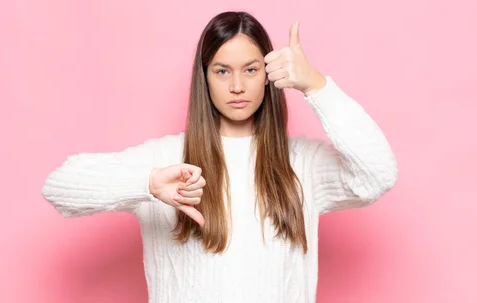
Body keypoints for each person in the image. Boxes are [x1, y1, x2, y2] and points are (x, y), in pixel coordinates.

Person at [41, 11, 398, 303]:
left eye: (251, 70)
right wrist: (146, 184)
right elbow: (59, 187)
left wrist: (316, 86)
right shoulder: (167, 160)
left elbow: (377, 175)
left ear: (269, 75)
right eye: (222, 71)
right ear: (205, 77)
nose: (237, 86)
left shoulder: (301, 164)